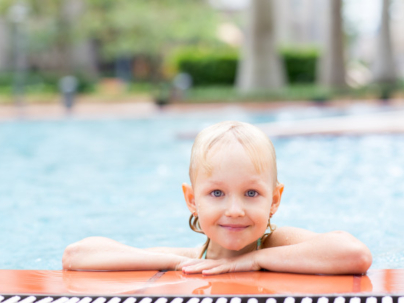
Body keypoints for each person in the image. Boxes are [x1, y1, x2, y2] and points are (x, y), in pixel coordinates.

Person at [63, 121, 372, 275]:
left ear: (275, 200)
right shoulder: (191, 257)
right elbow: (76, 256)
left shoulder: (276, 242)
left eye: (252, 193)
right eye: (216, 193)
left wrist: (255, 259)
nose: (234, 210)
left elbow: (354, 254)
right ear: (192, 199)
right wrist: (174, 262)